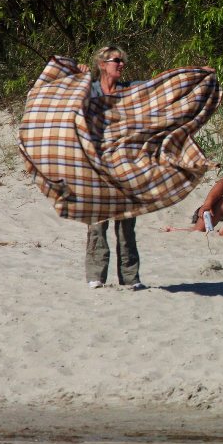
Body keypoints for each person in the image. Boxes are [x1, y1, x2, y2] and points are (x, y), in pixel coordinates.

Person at [78, 46, 146, 289]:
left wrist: (197, 73)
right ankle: (96, 275)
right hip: (96, 164)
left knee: (127, 224)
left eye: (123, 61)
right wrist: (77, 75)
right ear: (102, 64)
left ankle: (130, 277)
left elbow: (161, 86)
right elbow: (61, 93)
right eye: (116, 60)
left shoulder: (129, 88)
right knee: (97, 222)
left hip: (126, 164)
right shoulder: (89, 89)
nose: (121, 64)